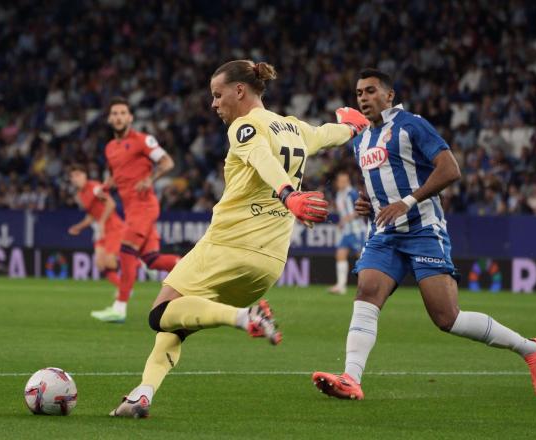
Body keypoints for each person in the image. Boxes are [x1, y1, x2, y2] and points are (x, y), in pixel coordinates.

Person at [109, 59, 369, 418]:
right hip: (268, 265)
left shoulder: (245, 127)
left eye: (218, 95)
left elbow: (262, 159)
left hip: (228, 247)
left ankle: (242, 317)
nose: (214, 104)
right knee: (180, 325)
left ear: (240, 91)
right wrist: (352, 128)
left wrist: (288, 193)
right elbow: (327, 134)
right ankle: (143, 394)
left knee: (160, 314)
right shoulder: (294, 128)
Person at [312, 68, 536, 400]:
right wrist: (370, 203)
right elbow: (380, 182)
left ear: (389, 95)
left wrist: (406, 202)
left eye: (370, 91)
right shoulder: (362, 139)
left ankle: (531, 349)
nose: (364, 98)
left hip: (424, 229)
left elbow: (450, 169)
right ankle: (351, 377)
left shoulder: (412, 125)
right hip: (385, 234)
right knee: (367, 291)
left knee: (446, 317)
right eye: (359, 94)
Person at [90, 97, 181, 323]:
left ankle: (119, 308)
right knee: (151, 259)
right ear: (110, 119)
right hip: (130, 209)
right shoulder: (110, 148)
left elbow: (168, 162)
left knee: (126, 251)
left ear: (130, 117)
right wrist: (105, 186)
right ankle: (190, 268)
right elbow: (115, 174)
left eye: (123, 113)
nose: (119, 117)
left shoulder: (143, 140)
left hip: (144, 206)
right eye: (115, 113)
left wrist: (151, 178)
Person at [67, 164, 125, 289]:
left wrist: (102, 222)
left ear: (85, 175)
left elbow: (111, 204)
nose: (75, 178)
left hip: (113, 227)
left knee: (109, 261)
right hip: (101, 229)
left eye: (78, 175)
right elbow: (91, 216)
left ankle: (135, 269)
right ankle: (122, 289)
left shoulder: (94, 187)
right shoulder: (80, 196)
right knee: (100, 264)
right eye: (73, 176)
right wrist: (79, 227)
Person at [328, 170, 369, 295]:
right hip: (346, 231)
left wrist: (346, 219)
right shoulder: (339, 194)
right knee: (340, 254)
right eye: (340, 181)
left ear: (347, 181)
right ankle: (341, 286)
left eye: (344, 181)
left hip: (357, 230)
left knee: (362, 259)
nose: (341, 183)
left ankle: (367, 286)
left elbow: (360, 210)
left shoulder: (352, 193)